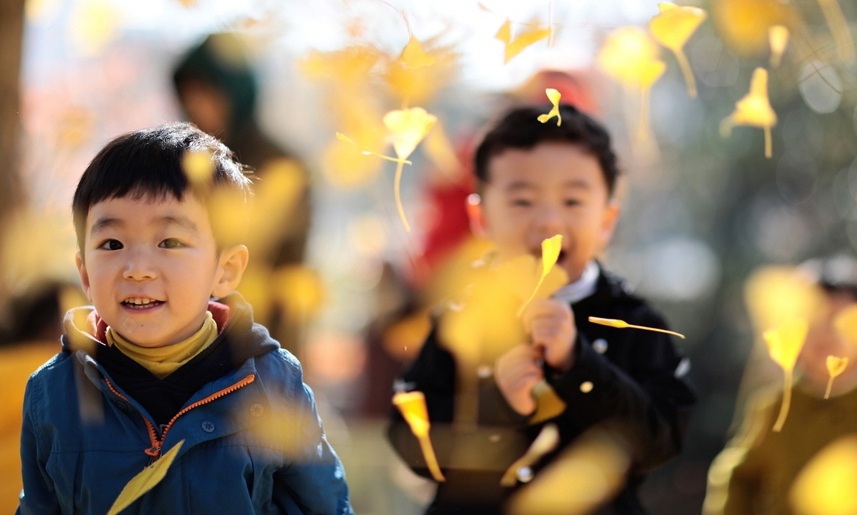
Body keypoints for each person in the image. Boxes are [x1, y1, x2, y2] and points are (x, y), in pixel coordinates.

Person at [16, 122, 352, 514]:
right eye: (112, 244)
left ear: (225, 269)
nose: (137, 268)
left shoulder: (273, 383)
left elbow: (323, 508)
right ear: (85, 274)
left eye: (170, 242)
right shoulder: (53, 393)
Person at [386, 103, 696, 514]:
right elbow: (412, 445)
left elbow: (660, 439)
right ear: (481, 217)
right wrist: (497, 405)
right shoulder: (459, 318)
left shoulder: (636, 323)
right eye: (522, 201)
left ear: (606, 219)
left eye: (572, 201)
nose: (549, 221)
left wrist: (580, 365)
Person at [172, 32, 312, 356]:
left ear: (235, 91)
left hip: (264, 328)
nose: (199, 107)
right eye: (190, 95)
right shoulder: (180, 160)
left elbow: (292, 261)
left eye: (209, 93)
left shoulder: (282, 165)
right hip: (186, 328)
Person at [703, 256, 857, 515]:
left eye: (838, 322)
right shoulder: (776, 405)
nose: (824, 336)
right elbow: (738, 476)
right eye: (812, 322)